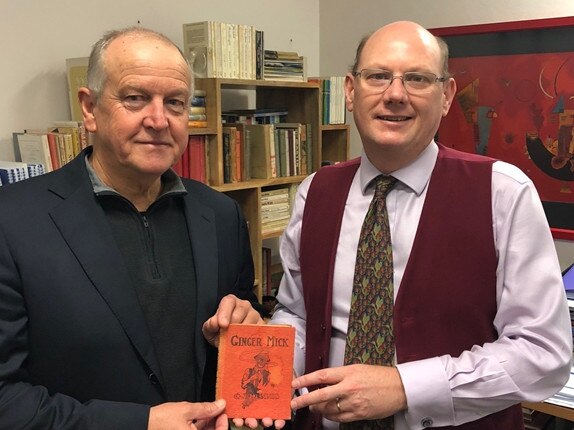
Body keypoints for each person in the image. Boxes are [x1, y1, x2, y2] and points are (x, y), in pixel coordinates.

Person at [270, 20, 573, 429]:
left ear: (447, 95)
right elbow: (297, 313)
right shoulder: (315, 192)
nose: (395, 94)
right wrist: (272, 363)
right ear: (349, 90)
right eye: (377, 76)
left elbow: (542, 354)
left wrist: (405, 387)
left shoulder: (503, 193)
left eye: (417, 79)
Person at [0, 27, 282, 429]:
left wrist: (246, 322)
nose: (158, 120)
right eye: (134, 98)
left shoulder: (220, 215)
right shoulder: (12, 222)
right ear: (90, 107)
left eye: (176, 102)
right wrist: (140, 424)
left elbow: (240, 326)